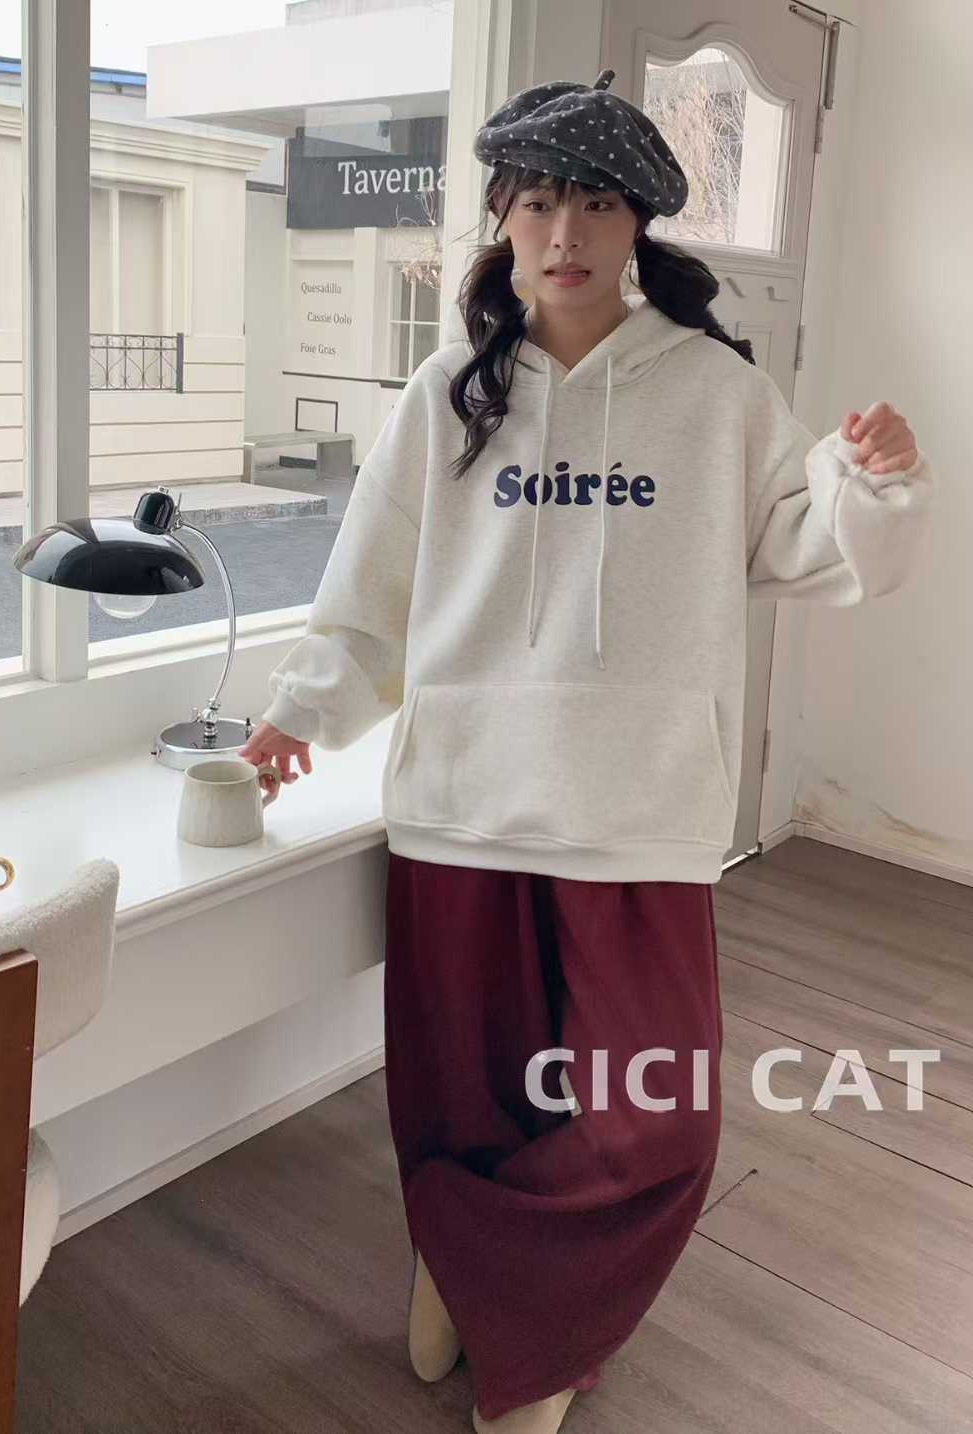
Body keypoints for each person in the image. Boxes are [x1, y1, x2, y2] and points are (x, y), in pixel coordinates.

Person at [239, 70, 934, 1434]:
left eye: (599, 204)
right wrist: (298, 714)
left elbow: (816, 549)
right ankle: (482, 1276)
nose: (566, 232)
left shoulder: (719, 393)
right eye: (539, 201)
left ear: (639, 226)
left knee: (653, 1124)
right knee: (464, 1100)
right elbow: (370, 584)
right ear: (503, 217)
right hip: (466, 803)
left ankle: (509, 1303)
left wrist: (873, 481)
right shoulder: (446, 393)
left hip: (640, 812)